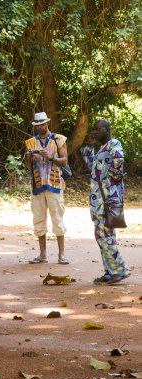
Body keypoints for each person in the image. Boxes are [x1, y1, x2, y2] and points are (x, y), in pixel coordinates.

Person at [81, 120, 130, 285]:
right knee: (102, 235)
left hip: (107, 199)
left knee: (104, 235)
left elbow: (119, 157)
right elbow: (90, 165)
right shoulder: (101, 148)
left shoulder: (113, 143)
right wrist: (89, 145)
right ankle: (110, 272)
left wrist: (117, 174)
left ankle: (119, 270)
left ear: (108, 129)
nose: (95, 131)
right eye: (93, 128)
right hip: (98, 201)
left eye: (98, 129)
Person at [25, 112, 69, 265]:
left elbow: (64, 161)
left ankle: (61, 254)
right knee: (39, 218)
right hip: (37, 185)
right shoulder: (31, 143)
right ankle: (42, 254)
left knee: (57, 217)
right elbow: (29, 167)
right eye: (37, 125)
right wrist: (28, 157)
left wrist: (50, 157)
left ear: (48, 123)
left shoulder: (59, 139)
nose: (40, 127)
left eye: (42, 124)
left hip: (54, 184)